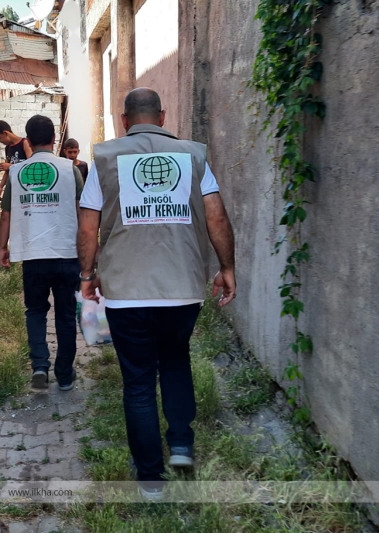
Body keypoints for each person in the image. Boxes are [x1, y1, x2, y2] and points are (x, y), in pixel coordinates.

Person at [76, 88, 236, 499]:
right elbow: (216, 214)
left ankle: (150, 479)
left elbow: (88, 224)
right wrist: (227, 267)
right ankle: (181, 445)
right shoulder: (192, 155)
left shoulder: (106, 158)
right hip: (182, 289)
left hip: (127, 291)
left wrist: (87, 274)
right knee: (177, 361)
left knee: (139, 382)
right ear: (161, 117)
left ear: (125, 120)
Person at [0, 115, 85, 391]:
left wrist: (3, 247)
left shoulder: (17, 172)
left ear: (28, 138)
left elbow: (6, 215)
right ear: (54, 140)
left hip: (33, 256)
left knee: (35, 310)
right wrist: (89, 253)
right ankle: (64, 374)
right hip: (67, 254)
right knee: (65, 314)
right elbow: (84, 213)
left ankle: (39, 366)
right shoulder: (70, 170)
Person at [0, 120, 33, 200]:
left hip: (25, 187)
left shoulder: (25, 143)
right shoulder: (8, 148)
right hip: (13, 186)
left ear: (6, 133)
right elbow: (7, 172)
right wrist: (0, 188)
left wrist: (11, 166)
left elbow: (31, 166)